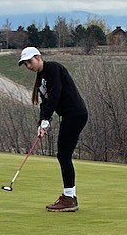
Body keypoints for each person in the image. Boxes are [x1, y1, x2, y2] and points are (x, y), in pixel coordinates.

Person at [18, 46, 88, 212]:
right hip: (69, 116)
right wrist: (42, 121)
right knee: (63, 155)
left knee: (63, 155)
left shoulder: (53, 68)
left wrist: (46, 120)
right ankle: (70, 196)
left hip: (75, 114)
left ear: (38, 57)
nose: (28, 66)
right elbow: (45, 102)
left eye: (29, 61)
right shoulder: (41, 77)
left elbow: (55, 95)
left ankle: (70, 198)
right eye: (25, 64)